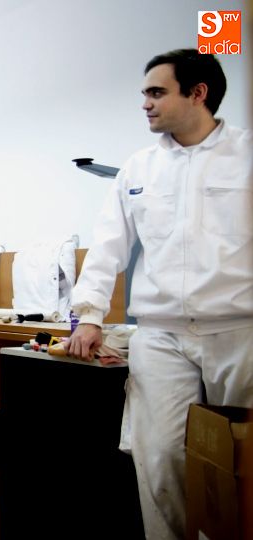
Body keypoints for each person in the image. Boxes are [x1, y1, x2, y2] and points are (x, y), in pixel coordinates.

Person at [68, 49, 252, 540]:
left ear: (198, 94)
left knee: (244, 460)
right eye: (144, 93)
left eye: (156, 92)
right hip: (161, 335)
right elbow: (108, 245)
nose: (145, 103)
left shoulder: (247, 155)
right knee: (160, 455)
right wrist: (88, 315)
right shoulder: (138, 168)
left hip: (239, 333)